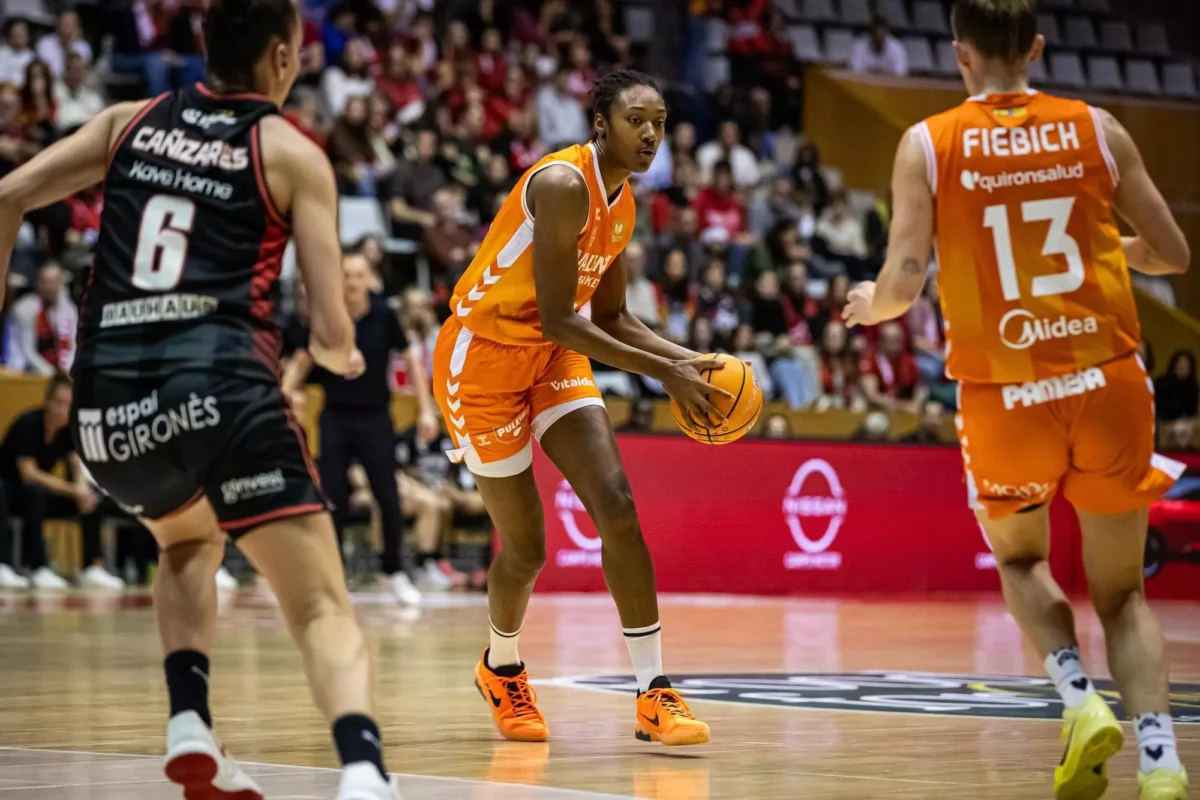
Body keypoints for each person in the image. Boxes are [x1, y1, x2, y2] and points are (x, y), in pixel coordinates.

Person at [0, 2, 399, 799]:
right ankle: (363, 772)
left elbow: (7, 193)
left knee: (188, 542)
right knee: (322, 604)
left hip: (106, 411)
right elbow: (326, 334)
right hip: (218, 390)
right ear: (283, 59)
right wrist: (345, 353)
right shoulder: (289, 151)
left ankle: (191, 727)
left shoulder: (126, 120)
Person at [843, 2, 1191, 799]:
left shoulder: (927, 143)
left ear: (959, 54)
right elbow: (1172, 254)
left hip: (1007, 393)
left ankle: (1077, 697)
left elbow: (902, 283)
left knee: (1023, 560)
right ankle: (1164, 764)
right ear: (1035, 47)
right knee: (1124, 593)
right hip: (1105, 381)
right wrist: (1110, 249)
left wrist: (870, 302)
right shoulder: (1098, 128)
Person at [431, 69, 725, 747]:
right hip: (484, 359)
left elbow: (615, 318)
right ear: (601, 125)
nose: (651, 134)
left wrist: (690, 361)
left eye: (659, 122)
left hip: (551, 356)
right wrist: (668, 375)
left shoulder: (624, 201)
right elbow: (566, 320)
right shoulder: (565, 185)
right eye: (636, 121)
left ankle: (655, 693)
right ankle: (501, 666)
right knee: (527, 547)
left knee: (618, 505)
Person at [283, 251, 437, 606]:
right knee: (333, 498)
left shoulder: (384, 315)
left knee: (389, 497)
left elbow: (411, 359)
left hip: (375, 418)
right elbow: (304, 356)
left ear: (368, 278)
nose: (351, 281)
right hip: (335, 417)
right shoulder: (329, 317)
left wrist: (426, 410)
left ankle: (393, 571)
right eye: (346, 275)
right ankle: (334, 578)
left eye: (357, 275)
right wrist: (287, 391)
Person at [0, 373, 124, 591]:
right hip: (9, 493)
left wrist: (82, 491)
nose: (62, 410)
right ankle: (33, 567)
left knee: (90, 498)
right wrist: (72, 490)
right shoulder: (28, 424)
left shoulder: (68, 432)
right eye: (58, 402)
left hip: (34, 499)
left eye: (68, 404)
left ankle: (90, 567)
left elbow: (76, 466)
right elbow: (29, 474)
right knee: (35, 492)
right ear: (47, 401)